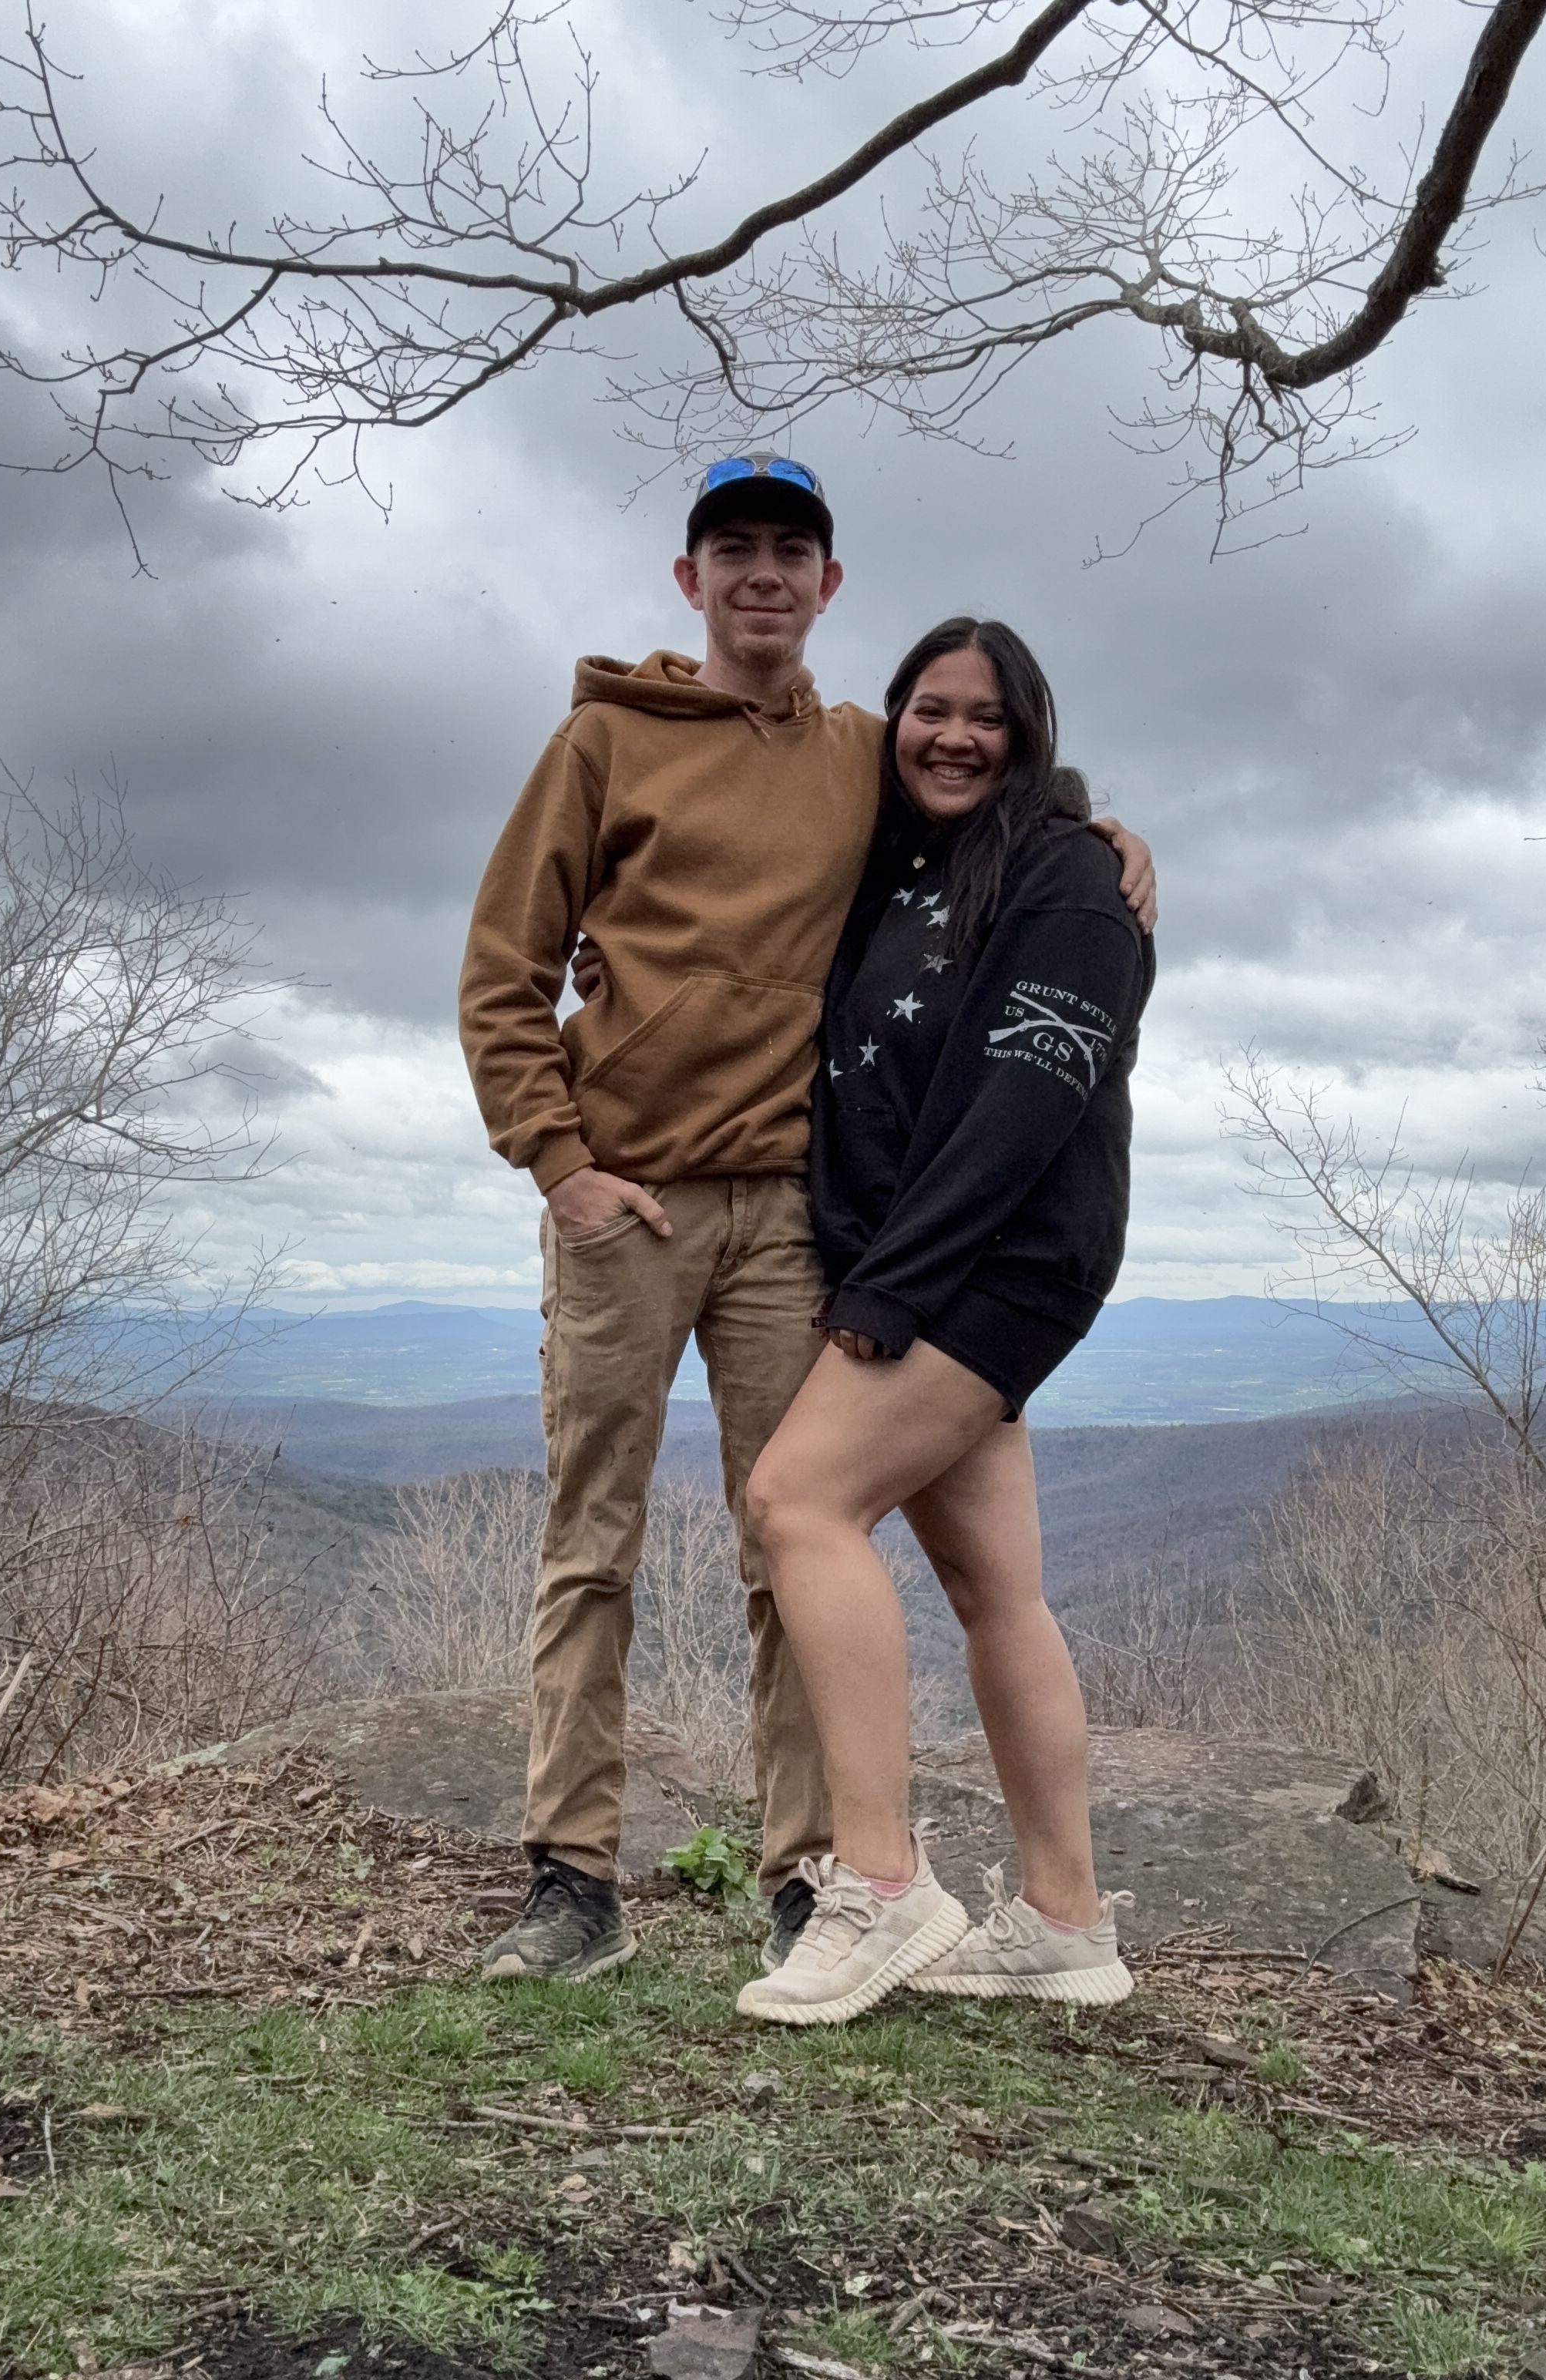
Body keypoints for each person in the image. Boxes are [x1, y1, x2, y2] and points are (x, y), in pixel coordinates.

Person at [455, 461, 1157, 1982]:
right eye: (735, 551)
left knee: (791, 1537)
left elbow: (981, 810)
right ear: (690, 579)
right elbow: (504, 966)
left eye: (792, 552)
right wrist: (558, 1163)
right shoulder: (600, 743)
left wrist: (1094, 831)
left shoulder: (859, 754)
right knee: (592, 1542)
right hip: (627, 1200)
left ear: (829, 586)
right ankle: (573, 1879)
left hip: (793, 1212)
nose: (763, 574)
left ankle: (810, 1877)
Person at [734, 617, 1154, 2027]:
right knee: (995, 1590)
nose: (955, 736)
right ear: (898, 719)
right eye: (930, 709)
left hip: (993, 1263)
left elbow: (1026, 1106)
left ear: (1028, 731)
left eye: (987, 715)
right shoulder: (906, 874)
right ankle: (1066, 1922)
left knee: (798, 1502)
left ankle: (879, 1882)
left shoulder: (1068, 877)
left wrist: (890, 1288)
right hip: (933, 1258)